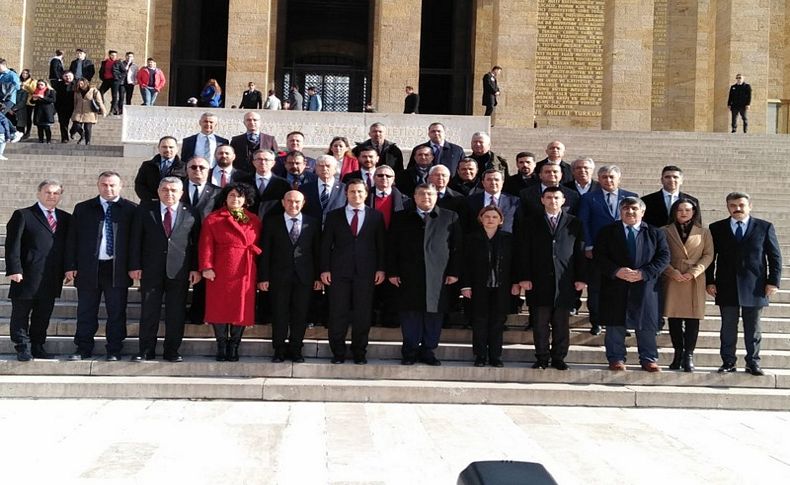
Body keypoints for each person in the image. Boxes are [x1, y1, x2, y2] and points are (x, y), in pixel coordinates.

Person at [706, 192, 782, 376]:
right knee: (728, 328)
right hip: (726, 285)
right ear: (728, 207)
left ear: (750, 206)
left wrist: (773, 282)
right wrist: (710, 281)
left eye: (741, 205)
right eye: (733, 205)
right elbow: (710, 257)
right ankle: (728, 362)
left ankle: (753, 362)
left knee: (753, 329)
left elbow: (774, 256)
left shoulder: (764, 227)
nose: (737, 208)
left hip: (755, 286)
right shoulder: (716, 228)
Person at [65, 171, 137, 360]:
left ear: (121, 186)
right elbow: (72, 239)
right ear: (98, 186)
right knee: (86, 310)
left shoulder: (131, 209)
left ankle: (114, 349)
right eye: (104, 185)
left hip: (117, 269)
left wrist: (135, 265)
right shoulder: (83, 208)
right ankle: (83, 348)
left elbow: (136, 242)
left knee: (116, 312)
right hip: (89, 267)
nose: (108, 188)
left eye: (112, 185)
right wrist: (70, 265)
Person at [128, 177, 201, 362]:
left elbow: (195, 243)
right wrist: (135, 265)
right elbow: (136, 239)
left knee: (176, 313)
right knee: (149, 312)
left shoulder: (191, 212)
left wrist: (195, 268)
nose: (169, 193)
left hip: (179, 271)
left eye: (173, 190)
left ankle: (172, 350)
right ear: (158, 191)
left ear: (181, 193)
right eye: (165, 190)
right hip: (151, 269)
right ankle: (146, 350)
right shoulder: (145, 210)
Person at [388, 184, 461, 366]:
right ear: (414, 196)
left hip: (438, 275)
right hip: (408, 274)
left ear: (436, 196)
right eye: (421, 194)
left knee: (434, 315)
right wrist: (393, 271)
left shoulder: (450, 217)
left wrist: (454, 271)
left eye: (430, 194)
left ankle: (428, 351)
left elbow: (457, 248)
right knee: (410, 314)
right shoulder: (401, 217)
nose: (426, 197)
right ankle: (410, 351)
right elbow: (391, 247)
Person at [594, 196, 670, 372]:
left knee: (646, 324)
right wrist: (616, 271)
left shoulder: (655, 232)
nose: (630, 211)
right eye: (626, 208)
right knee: (615, 324)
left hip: (645, 285)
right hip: (616, 284)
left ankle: (649, 359)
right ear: (620, 211)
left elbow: (664, 257)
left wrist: (644, 273)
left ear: (642, 212)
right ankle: (616, 358)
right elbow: (599, 257)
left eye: (634, 208)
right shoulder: (607, 231)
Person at [518, 187, 586, 370]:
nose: (552, 201)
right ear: (542, 200)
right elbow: (523, 252)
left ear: (563, 200)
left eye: (556, 198)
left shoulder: (575, 223)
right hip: (538, 280)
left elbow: (579, 253)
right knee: (540, 323)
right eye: (549, 197)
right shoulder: (529, 222)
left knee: (561, 323)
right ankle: (541, 357)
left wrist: (581, 277)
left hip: (565, 281)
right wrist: (524, 277)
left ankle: (559, 357)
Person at [320, 180, 386, 364]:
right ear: (346, 194)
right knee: (337, 313)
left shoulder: (376, 216)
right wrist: (324, 269)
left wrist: (381, 268)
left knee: (362, 314)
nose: (355, 195)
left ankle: (359, 352)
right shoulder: (334, 216)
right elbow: (325, 245)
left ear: (365, 194)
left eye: (359, 192)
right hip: (338, 272)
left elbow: (381, 245)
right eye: (351, 192)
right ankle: (338, 352)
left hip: (366, 272)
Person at [5, 180, 72, 360]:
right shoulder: (23, 215)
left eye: (56, 193)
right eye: (48, 192)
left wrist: (68, 268)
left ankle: (37, 345)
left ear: (60, 196)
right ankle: (22, 347)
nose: (51, 196)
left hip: (51, 276)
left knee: (43, 314)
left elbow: (69, 247)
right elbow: (12, 244)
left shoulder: (66, 218)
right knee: (21, 313)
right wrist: (14, 269)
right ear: (39, 193)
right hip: (25, 275)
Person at [199, 182, 262, 361]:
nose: (235, 199)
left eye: (239, 196)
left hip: (245, 270)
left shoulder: (254, 220)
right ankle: (221, 344)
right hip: (221, 269)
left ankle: (234, 345)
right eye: (232, 195)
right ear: (225, 198)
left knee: (240, 309)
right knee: (219, 307)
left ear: (246, 200)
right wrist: (206, 267)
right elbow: (206, 245)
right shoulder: (213, 219)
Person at [258, 190, 321, 362]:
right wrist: (263, 278)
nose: (293, 205)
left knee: (300, 314)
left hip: (304, 277)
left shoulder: (312, 223)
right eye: (290, 201)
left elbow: (317, 252)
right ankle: (278, 349)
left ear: (303, 203)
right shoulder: (272, 222)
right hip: (278, 276)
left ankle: (296, 349)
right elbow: (265, 252)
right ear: (283, 202)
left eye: (297, 202)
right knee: (279, 314)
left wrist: (317, 277)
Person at [578, 165, 637, 335]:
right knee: (596, 288)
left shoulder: (631, 197)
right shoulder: (589, 198)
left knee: (622, 290)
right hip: (598, 251)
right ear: (599, 179)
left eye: (612, 177)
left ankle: (622, 322)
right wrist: (588, 246)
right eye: (604, 177)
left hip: (624, 252)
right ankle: (596, 321)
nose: (608, 180)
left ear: (618, 178)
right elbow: (584, 223)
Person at [662, 199, 713, 372]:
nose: (684, 213)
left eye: (688, 210)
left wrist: (694, 272)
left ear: (694, 212)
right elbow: (660, 254)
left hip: (694, 279)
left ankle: (688, 355)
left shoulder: (704, 232)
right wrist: (672, 271)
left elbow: (708, 255)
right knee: (674, 319)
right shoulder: (664, 231)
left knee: (692, 319)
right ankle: (677, 354)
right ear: (674, 212)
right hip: (673, 278)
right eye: (680, 210)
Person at [461, 206, 516, 367]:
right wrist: (465, 286)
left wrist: (516, 283)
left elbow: (515, 263)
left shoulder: (509, 239)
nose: (490, 219)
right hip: (478, 287)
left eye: (494, 217)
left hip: (502, 287)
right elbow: (465, 264)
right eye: (487, 216)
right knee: (479, 322)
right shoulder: (471, 238)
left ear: (501, 220)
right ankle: (480, 356)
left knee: (498, 323)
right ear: (481, 219)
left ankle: (495, 356)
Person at [180, 157, 220, 325]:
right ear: (186, 170)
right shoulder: (176, 188)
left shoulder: (218, 192)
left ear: (208, 170)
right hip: (180, 243)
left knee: (202, 285)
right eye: (193, 167)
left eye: (202, 167)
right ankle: (178, 315)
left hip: (205, 243)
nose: (197, 170)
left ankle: (198, 315)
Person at [467, 168, 519, 233]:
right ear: (483, 183)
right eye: (489, 180)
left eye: (496, 180)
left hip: (505, 240)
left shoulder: (514, 201)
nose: (493, 182)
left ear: (502, 182)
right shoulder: (470, 200)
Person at [134, 136, 185, 202]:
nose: (167, 150)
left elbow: (186, 187)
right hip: (151, 204)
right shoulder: (147, 165)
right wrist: (152, 199)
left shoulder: (184, 167)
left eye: (171, 147)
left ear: (177, 149)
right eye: (164, 147)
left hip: (174, 204)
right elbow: (139, 185)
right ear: (159, 148)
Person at [300, 154, 346, 223]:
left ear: (335, 169)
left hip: (336, 229)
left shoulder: (344, 189)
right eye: (321, 166)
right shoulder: (304, 188)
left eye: (328, 166)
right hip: (311, 229)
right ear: (315, 168)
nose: (324, 169)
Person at [368, 165, 408, 230]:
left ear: (393, 179)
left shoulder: (405, 201)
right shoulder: (364, 198)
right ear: (374, 178)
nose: (384, 178)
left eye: (388, 176)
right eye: (380, 175)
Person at [70, 77, 106, 145]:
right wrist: (74, 111)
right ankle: (82, 135)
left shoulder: (93, 91)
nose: (80, 85)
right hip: (78, 111)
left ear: (85, 83)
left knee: (87, 128)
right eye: (78, 84)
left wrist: (103, 110)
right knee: (76, 125)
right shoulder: (77, 91)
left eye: (81, 83)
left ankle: (88, 142)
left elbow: (99, 101)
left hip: (89, 112)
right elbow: (75, 102)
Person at [30, 79, 56, 144]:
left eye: (41, 84)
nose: (40, 86)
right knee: (39, 127)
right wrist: (34, 99)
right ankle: (40, 139)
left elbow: (53, 100)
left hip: (47, 111)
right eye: (38, 84)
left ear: (45, 85)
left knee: (47, 126)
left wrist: (43, 97)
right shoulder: (36, 91)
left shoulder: (50, 91)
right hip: (38, 111)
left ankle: (48, 140)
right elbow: (31, 101)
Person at [54, 71, 76, 143]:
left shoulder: (76, 84)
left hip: (73, 107)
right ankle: (65, 138)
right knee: (63, 123)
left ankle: (73, 131)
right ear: (63, 77)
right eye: (66, 76)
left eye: (69, 76)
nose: (68, 78)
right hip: (62, 107)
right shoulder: (58, 85)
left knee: (76, 123)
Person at [97, 50, 122, 114]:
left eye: (115, 55)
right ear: (109, 55)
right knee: (100, 92)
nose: (114, 57)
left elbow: (124, 71)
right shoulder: (105, 62)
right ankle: (101, 107)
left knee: (114, 95)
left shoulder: (118, 62)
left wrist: (119, 79)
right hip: (106, 80)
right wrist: (102, 77)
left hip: (115, 81)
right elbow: (101, 71)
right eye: (112, 55)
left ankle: (112, 110)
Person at [17, 69, 36, 139]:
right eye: (23, 73)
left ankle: (28, 132)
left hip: (28, 102)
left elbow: (34, 91)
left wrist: (26, 86)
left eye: (26, 73)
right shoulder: (19, 80)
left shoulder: (33, 81)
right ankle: (21, 131)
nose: (24, 75)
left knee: (28, 117)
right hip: (20, 101)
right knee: (21, 117)